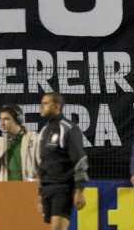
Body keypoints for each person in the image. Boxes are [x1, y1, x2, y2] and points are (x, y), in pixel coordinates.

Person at [35, 91, 88, 230]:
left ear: (57, 107)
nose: (41, 106)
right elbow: (43, 164)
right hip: (47, 189)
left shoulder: (68, 128)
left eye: (45, 103)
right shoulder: (44, 131)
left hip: (63, 188)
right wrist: (40, 192)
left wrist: (79, 190)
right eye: (41, 103)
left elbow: (80, 160)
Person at [0, 103, 38, 182]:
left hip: (28, 190)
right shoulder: (0, 143)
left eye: (6, 119)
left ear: (18, 120)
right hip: (7, 191)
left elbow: (45, 165)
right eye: (1, 119)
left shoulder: (34, 139)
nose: (2, 123)